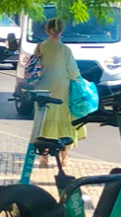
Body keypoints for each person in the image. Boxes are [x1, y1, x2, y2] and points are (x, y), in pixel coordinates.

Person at [36, 18, 85, 168]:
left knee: (43, 120)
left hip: (43, 86)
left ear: (46, 30)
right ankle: (64, 159)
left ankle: (43, 157)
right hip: (62, 88)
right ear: (61, 31)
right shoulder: (64, 49)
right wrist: (81, 82)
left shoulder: (40, 47)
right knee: (63, 119)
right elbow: (73, 72)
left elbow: (34, 66)